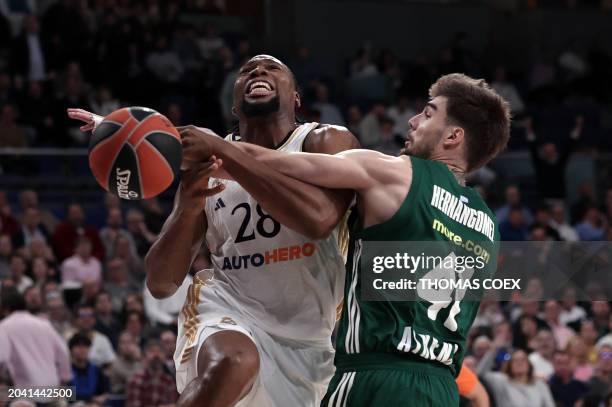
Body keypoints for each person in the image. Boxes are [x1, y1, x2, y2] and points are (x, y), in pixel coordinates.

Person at [181, 73, 510, 405]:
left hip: (375, 377)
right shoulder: (488, 226)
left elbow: (279, 163)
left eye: (427, 114)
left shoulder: (396, 172)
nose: (411, 121)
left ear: (453, 136)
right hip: (441, 389)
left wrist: (216, 148)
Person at [69, 54, 359, 407]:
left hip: (315, 338)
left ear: (296, 96)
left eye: (272, 68)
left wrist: (223, 150)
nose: (258, 71)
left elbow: (320, 219)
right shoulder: (207, 163)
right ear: (234, 103)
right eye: (247, 70)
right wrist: (189, 206)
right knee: (233, 364)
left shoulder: (324, 141)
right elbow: (161, 283)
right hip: (232, 308)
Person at [0, 287, 72, 390]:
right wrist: (64, 378)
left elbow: (2, 359)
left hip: (25, 392)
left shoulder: (4, 327)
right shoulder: (44, 324)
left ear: (5, 309)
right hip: (52, 388)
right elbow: (63, 352)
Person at [126, 339, 178, 407]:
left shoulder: (169, 381)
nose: (156, 355)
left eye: (159, 351)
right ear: (144, 357)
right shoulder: (136, 380)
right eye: (152, 351)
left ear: (164, 357)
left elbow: (173, 404)